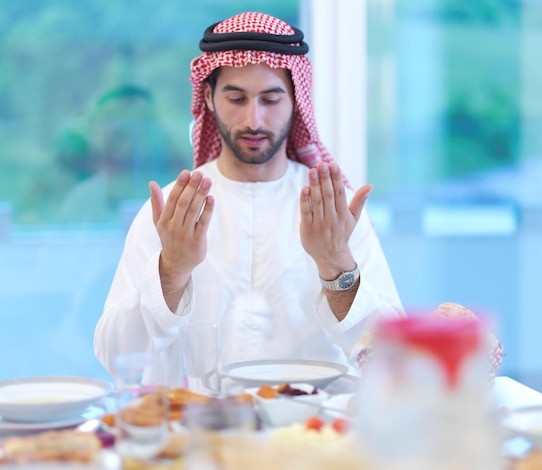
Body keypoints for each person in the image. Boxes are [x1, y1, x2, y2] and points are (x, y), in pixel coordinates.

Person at [94, 11, 404, 393]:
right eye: (236, 98)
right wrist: (171, 271)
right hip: (196, 437)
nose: (253, 119)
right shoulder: (175, 209)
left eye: (271, 99)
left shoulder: (332, 212)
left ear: (296, 100)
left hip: (313, 438)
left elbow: (393, 360)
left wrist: (335, 264)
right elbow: (116, 356)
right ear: (208, 97)